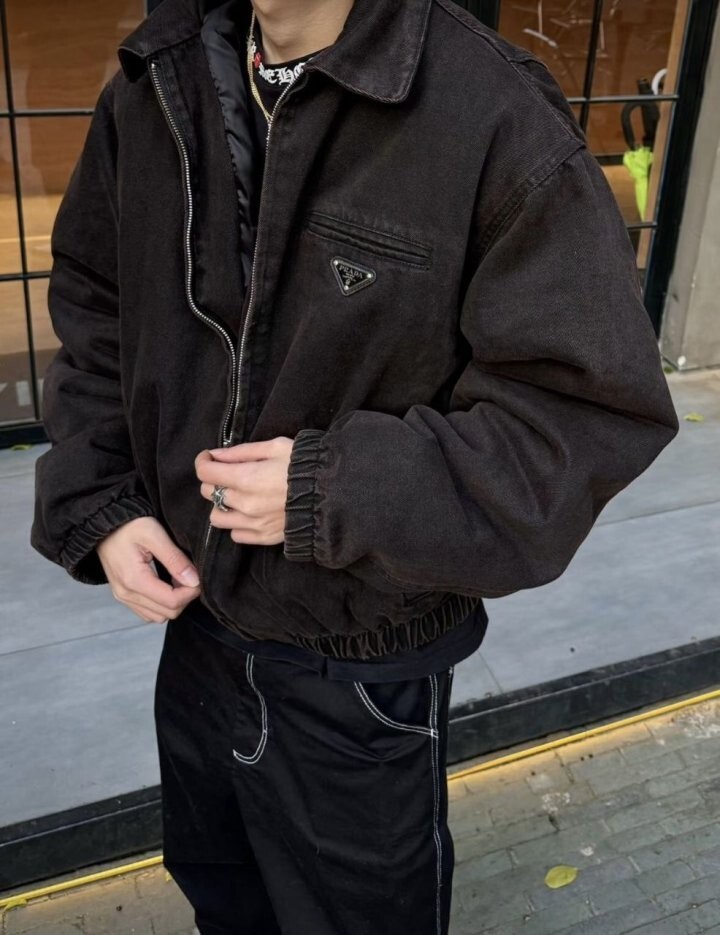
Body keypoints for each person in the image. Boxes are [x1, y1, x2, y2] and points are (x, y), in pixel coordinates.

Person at [31, 0, 679, 931]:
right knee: (224, 901)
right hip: (196, 634)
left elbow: (582, 415)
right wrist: (104, 500)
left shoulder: (489, 114)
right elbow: (99, 302)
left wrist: (334, 490)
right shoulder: (158, 80)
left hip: (360, 668)